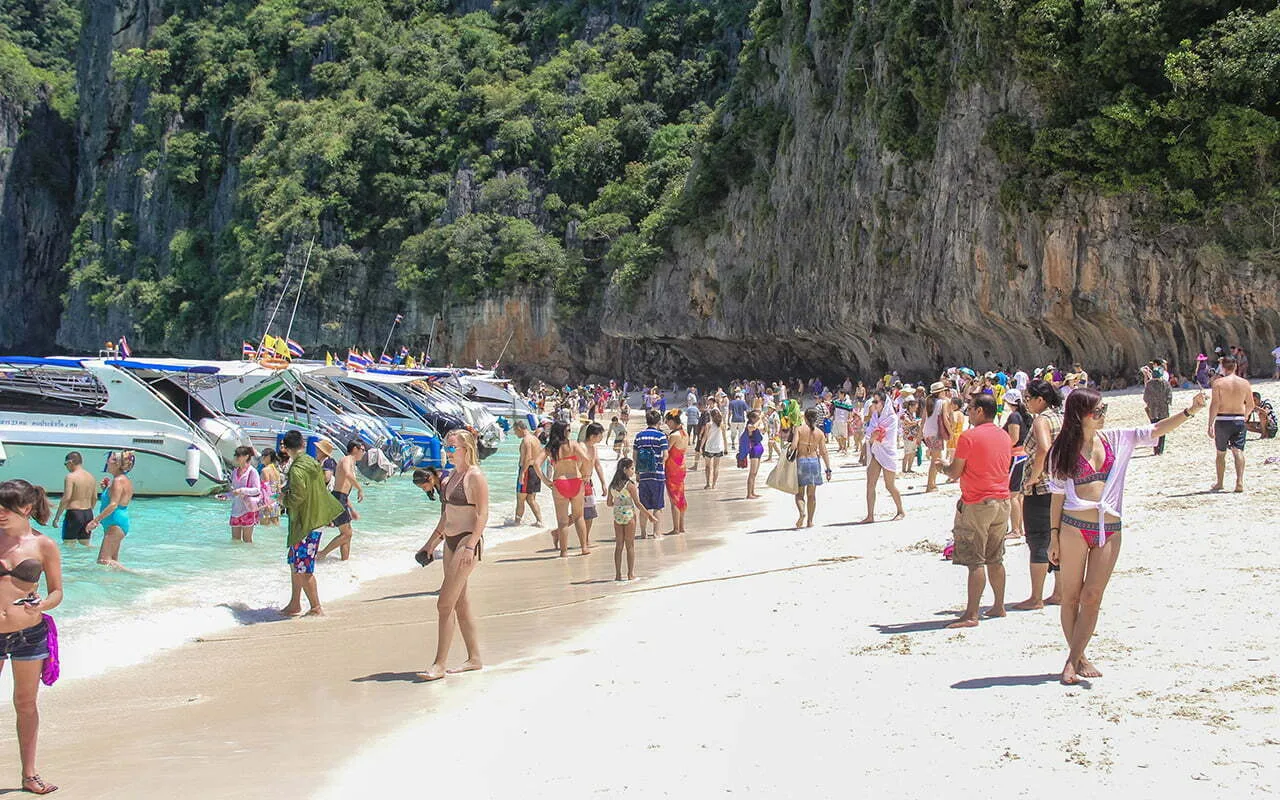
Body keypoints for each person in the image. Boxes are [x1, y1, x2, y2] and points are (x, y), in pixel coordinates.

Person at [1048, 388, 1205, 685]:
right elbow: (1056, 497)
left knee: (1092, 596)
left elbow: (1156, 430)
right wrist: (1053, 537)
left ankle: (1072, 658)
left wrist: (1191, 411)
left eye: (1104, 409)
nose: (1103, 415)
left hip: (1109, 528)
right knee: (1070, 597)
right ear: (1080, 415)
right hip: (1072, 527)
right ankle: (1079, 658)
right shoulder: (1062, 450)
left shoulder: (1117, 439)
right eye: (1097, 411)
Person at [0, 479, 64, 795]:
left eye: (6, 508)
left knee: (25, 703)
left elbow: (57, 592)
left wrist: (41, 604)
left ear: (26, 508)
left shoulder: (44, 545)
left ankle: (29, 775)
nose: (0, 514)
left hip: (29, 634)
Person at [415, 429, 488, 681]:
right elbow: (446, 517)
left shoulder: (475, 476)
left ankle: (439, 664)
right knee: (460, 603)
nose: (447, 451)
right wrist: (430, 545)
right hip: (450, 542)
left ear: (466, 448)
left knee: (444, 603)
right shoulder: (449, 477)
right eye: (446, 447)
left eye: (452, 447)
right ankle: (474, 658)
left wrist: (471, 546)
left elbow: (483, 514)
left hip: (467, 541)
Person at [940, 396, 1012, 628]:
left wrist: (942, 467)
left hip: (978, 503)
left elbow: (955, 472)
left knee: (976, 561)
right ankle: (999, 605)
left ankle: (972, 614)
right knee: (996, 558)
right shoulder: (1004, 435)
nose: (968, 412)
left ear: (980, 411)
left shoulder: (969, 437)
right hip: (1002, 501)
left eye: (970, 409)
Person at [1012, 380, 1063, 611]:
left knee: (1038, 539)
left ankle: (1036, 597)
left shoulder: (1042, 420)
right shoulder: (1060, 417)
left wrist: (1033, 477)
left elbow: (1043, 448)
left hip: (1041, 487)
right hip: (1060, 486)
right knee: (1057, 537)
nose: (1026, 403)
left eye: (1028, 398)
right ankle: (1059, 592)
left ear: (1040, 399)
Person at [280, 430, 343, 617]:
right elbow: (318, 487)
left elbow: (298, 496)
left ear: (285, 448)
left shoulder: (297, 469)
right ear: (302, 444)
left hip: (307, 523)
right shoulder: (311, 461)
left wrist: (284, 499)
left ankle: (316, 607)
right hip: (314, 519)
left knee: (303, 567)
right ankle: (295, 603)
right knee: (294, 562)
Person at [1207, 356, 1252, 493]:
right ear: (1236, 366)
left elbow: (1215, 404)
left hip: (1222, 420)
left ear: (1223, 367)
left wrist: (1210, 423)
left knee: (1221, 453)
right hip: (1239, 419)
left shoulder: (1218, 383)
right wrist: (1245, 416)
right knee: (1238, 451)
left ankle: (1220, 483)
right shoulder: (1245, 383)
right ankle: (1239, 482)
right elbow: (1250, 404)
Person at [858, 391, 905, 523]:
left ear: (883, 403)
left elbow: (888, 437)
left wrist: (875, 436)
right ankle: (870, 515)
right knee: (870, 484)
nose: (873, 404)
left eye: (876, 401)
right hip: (875, 451)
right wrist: (874, 437)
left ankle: (900, 510)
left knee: (889, 485)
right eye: (873, 401)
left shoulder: (892, 418)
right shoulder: (874, 416)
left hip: (888, 453)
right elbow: (870, 434)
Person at [607, 459, 655, 581]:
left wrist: (618, 503)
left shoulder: (612, 485)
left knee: (619, 546)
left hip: (617, 515)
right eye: (632, 468)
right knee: (630, 546)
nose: (633, 471)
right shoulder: (630, 485)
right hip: (629, 515)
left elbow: (609, 503)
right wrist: (649, 515)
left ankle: (618, 575)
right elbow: (638, 504)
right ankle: (630, 574)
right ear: (625, 470)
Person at [546, 421, 589, 556]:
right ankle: (584, 548)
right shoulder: (573, 445)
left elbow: (536, 463)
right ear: (562, 432)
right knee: (579, 517)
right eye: (568, 430)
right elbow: (587, 459)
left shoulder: (551, 447)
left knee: (562, 521)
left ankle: (564, 552)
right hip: (576, 480)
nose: (570, 432)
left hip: (559, 482)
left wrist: (546, 481)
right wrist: (586, 475)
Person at [85, 451, 134, 568]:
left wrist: (95, 521)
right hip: (116, 523)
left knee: (103, 561)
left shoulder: (118, 481)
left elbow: (113, 504)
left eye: (110, 459)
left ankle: (137, 574)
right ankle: (118, 579)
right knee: (112, 561)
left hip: (115, 524)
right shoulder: (121, 480)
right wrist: (106, 490)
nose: (107, 462)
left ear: (117, 464)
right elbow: (117, 499)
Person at [319, 440, 366, 560]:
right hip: (338, 499)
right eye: (362, 450)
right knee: (347, 534)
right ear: (355, 449)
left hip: (342, 498)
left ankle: (344, 562)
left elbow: (345, 490)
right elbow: (347, 474)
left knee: (346, 535)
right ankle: (322, 554)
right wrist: (360, 489)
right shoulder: (346, 459)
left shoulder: (352, 462)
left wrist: (352, 509)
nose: (364, 453)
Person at [632, 410, 669, 540]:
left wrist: (637, 472)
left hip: (643, 475)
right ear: (659, 422)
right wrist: (660, 465)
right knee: (658, 506)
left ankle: (643, 533)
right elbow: (665, 455)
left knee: (644, 506)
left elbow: (635, 456)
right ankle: (656, 533)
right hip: (657, 475)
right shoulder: (661, 436)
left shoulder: (639, 436)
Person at [792, 407, 832, 528]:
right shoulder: (819, 433)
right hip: (814, 462)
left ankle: (802, 513)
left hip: (801, 461)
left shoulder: (799, 429)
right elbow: (824, 452)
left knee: (799, 494)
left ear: (805, 417)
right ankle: (810, 521)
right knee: (811, 495)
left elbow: (794, 446)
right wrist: (828, 469)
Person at [51, 452, 96, 547]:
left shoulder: (70, 477)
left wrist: (57, 517)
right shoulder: (91, 477)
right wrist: (88, 512)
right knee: (86, 544)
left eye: (65, 464)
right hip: (88, 514)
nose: (66, 467)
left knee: (68, 545)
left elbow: (66, 498)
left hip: (74, 514)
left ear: (70, 462)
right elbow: (95, 498)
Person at [1002, 389, 1030, 540]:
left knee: (1012, 495)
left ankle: (1016, 529)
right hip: (1024, 456)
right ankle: (1021, 527)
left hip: (1016, 457)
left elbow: (1014, 438)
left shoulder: (1014, 416)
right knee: (1019, 495)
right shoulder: (1025, 415)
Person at [224, 446, 262, 543]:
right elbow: (234, 491)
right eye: (235, 455)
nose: (236, 457)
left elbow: (257, 490)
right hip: (235, 510)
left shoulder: (252, 472)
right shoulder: (234, 472)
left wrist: (242, 490)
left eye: (238, 455)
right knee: (235, 541)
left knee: (247, 541)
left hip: (247, 510)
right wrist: (226, 496)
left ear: (246, 456)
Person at [578, 422, 607, 544]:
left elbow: (597, 465)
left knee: (589, 513)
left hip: (588, 483)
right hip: (579, 483)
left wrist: (603, 483)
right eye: (600, 435)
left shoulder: (594, 448)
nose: (602, 437)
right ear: (592, 436)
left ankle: (585, 539)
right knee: (579, 513)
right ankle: (583, 540)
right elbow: (576, 467)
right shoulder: (581, 447)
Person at [512, 420, 545, 527]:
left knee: (520, 498)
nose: (515, 433)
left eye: (515, 431)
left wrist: (522, 473)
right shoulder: (535, 439)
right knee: (531, 499)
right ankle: (539, 521)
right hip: (535, 470)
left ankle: (516, 523)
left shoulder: (526, 440)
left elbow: (528, 457)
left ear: (519, 429)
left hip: (527, 471)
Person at [663, 412, 689, 535]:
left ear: (672, 421)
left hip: (673, 468)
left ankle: (676, 528)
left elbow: (666, 451)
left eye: (667, 422)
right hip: (681, 466)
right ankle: (681, 526)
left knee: (674, 498)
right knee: (681, 497)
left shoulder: (674, 436)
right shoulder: (685, 433)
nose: (667, 424)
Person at [922, 382, 950, 492]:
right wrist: (951, 433)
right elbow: (945, 419)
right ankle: (930, 485)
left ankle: (933, 483)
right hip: (936, 433)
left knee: (936, 459)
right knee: (935, 460)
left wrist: (919, 435)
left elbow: (923, 420)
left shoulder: (928, 402)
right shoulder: (943, 402)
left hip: (927, 433)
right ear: (940, 392)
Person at [1142, 364, 1174, 455]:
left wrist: (1150, 403)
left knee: (1154, 429)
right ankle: (1160, 450)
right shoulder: (1166, 384)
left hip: (1153, 411)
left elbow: (1145, 398)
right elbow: (1169, 396)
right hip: (1163, 410)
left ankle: (1155, 449)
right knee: (1163, 430)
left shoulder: (1149, 384)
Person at [700, 408, 727, 489]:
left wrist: (701, 447)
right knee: (716, 467)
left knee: (707, 467)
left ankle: (708, 483)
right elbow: (724, 437)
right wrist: (726, 448)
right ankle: (714, 485)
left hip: (709, 448)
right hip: (718, 448)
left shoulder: (708, 424)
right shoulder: (721, 424)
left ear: (711, 416)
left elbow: (705, 436)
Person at [257, 450, 283, 526]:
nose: (261, 457)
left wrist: (266, 504)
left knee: (264, 527)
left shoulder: (265, 470)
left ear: (268, 457)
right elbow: (278, 490)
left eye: (263, 455)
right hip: (275, 501)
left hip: (266, 502)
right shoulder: (276, 471)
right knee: (276, 525)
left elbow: (266, 488)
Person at [743, 410, 765, 498]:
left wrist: (763, 421)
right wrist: (760, 419)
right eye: (756, 417)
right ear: (752, 418)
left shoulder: (756, 425)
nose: (758, 418)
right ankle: (749, 494)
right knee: (752, 473)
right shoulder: (749, 425)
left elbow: (764, 430)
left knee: (755, 473)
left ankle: (752, 492)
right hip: (754, 449)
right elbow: (754, 427)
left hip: (759, 447)